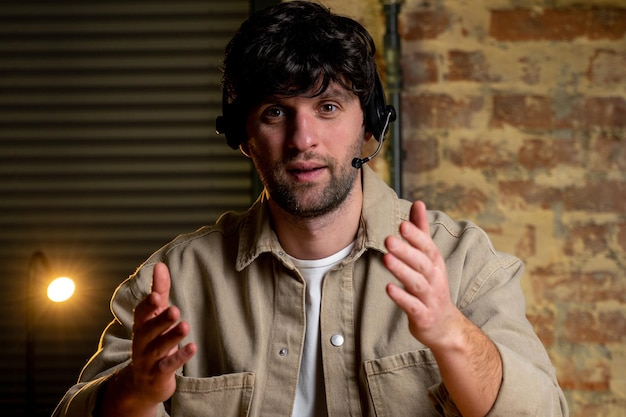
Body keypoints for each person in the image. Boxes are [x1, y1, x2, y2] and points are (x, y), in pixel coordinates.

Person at [53, 2, 568, 416]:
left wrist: (450, 331)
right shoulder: (173, 283)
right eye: (276, 112)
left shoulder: (463, 262)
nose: (303, 139)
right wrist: (138, 392)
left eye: (328, 107)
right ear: (244, 137)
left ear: (369, 125)